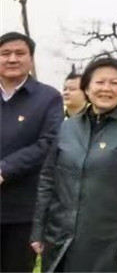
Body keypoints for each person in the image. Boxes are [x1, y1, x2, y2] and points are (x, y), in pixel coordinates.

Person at [30, 56, 117, 272]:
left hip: (107, 241)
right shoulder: (67, 128)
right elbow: (48, 180)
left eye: (114, 83)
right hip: (60, 236)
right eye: (99, 82)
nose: (106, 88)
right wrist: (38, 229)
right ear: (86, 88)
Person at [0, 32, 63, 273]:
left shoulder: (48, 98)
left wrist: (5, 169)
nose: (12, 59)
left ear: (31, 59)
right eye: (5, 53)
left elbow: (49, 142)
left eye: (20, 53)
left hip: (24, 210)